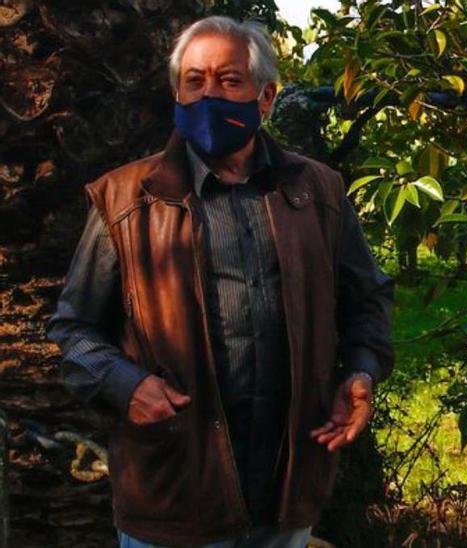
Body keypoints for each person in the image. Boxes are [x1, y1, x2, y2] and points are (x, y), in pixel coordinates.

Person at [44, 16, 395, 547]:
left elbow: (366, 299)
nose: (208, 95)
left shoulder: (317, 191)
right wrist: (126, 384)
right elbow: (74, 331)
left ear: (266, 96)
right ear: (177, 93)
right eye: (194, 81)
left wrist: (361, 372)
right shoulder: (124, 200)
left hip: (285, 490)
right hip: (175, 493)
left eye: (229, 81)